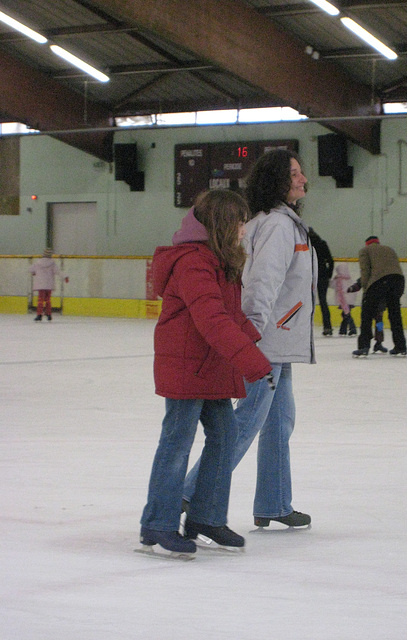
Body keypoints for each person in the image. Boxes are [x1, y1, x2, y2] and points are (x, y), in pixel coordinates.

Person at [183, 148, 317, 529]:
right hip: (267, 342)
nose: (303, 179)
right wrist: (252, 336)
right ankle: (190, 493)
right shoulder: (277, 225)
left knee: (278, 423)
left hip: (279, 341)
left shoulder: (280, 222)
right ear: (278, 180)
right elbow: (260, 284)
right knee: (246, 423)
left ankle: (274, 502)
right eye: (295, 174)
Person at [139, 190, 272, 556]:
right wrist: (252, 362)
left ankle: (205, 517)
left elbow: (229, 314)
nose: (244, 230)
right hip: (187, 365)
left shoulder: (219, 260)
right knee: (177, 441)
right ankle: (158, 523)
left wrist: (254, 340)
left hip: (210, 366)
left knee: (225, 436)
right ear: (223, 225)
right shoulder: (193, 262)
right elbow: (211, 319)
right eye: (240, 222)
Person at [352, 236, 407, 357]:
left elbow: (365, 271)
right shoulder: (390, 249)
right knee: (395, 314)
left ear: (367, 244)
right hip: (398, 281)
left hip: (380, 282)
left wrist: (366, 291)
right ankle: (401, 346)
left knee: (366, 314)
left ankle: (364, 346)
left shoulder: (365, 251)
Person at [348, 277, 388, 353]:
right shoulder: (369, 273)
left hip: (379, 304)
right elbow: (360, 282)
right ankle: (365, 344)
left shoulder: (381, 276)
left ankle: (378, 343)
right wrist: (352, 288)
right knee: (367, 323)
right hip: (369, 302)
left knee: (379, 324)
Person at [308, 227, 334, 336]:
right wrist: (328, 275)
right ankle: (327, 327)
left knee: (306, 303)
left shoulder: (306, 244)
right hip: (322, 275)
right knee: (323, 301)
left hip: (309, 275)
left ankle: (306, 327)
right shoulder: (322, 243)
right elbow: (330, 260)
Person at [29, 248, 66, 321]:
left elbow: (30, 269)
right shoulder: (52, 263)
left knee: (40, 300)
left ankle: (39, 315)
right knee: (48, 300)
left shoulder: (37, 263)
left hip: (40, 284)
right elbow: (58, 271)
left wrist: (34, 273)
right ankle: (49, 314)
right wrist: (65, 276)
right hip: (49, 284)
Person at [330, 263, 357, 336]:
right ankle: (342, 330)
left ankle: (353, 329)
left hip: (344, 301)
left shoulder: (338, 280)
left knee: (346, 314)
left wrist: (332, 279)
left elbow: (331, 285)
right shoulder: (349, 279)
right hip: (350, 301)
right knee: (345, 314)